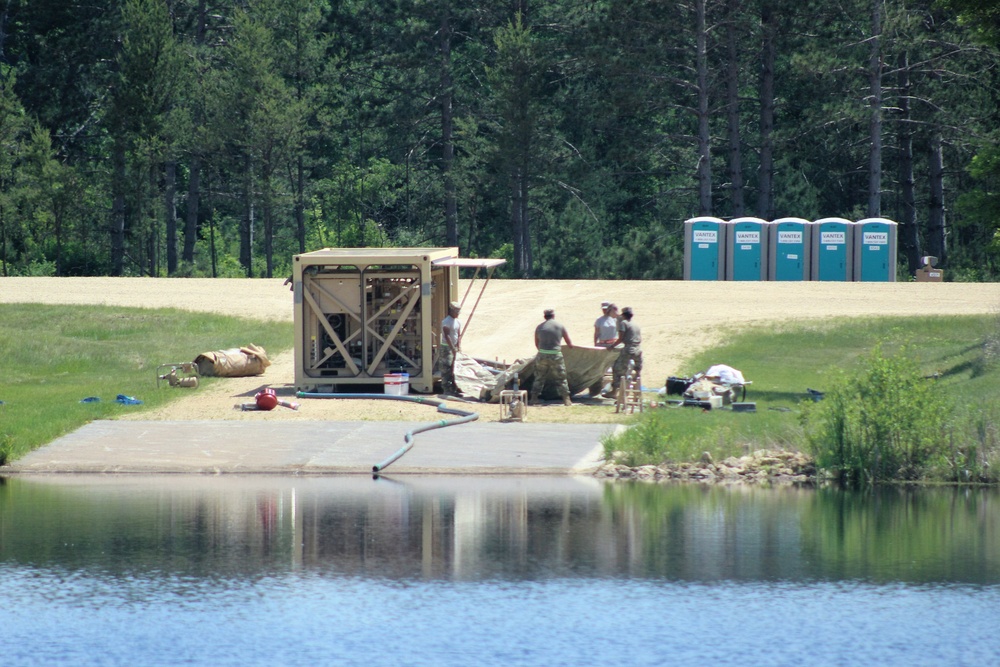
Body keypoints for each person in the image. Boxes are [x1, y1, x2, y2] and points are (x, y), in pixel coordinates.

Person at [531, 308, 573, 406]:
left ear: (544, 317)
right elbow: (569, 343)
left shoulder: (539, 327)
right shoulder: (560, 326)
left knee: (539, 377)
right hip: (556, 355)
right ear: (553, 316)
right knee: (561, 378)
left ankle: (534, 398)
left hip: (542, 354)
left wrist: (543, 352)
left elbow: (536, 343)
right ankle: (566, 399)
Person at [609, 306, 642, 394]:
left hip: (629, 349)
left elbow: (620, 338)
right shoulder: (636, 324)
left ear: (624, 315)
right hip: (638, 349)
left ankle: (614, 391)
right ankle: (636, 392)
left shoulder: (623, 323)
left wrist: (612, 346)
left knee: (617, 369)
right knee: (637, 371)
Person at [437, 301, 462, 395]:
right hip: (446, 348)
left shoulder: (458, 322)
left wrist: (458, 346)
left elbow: (458, 335)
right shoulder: (446, 321)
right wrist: (452, 348)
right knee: (446, 368)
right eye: (456, 312)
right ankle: (447, 389)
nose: (457, 314)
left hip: (454, 347)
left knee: (454, 368)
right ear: (451, 311)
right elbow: (447, 336)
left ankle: (454, 389)